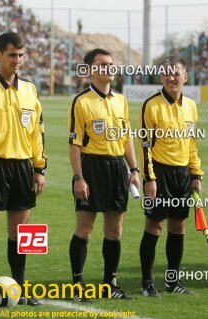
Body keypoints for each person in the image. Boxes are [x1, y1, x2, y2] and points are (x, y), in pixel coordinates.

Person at [0, 32, 47, 310]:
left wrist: (39, 168)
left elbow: (37, 133)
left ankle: (21, 286)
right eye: (12, 54)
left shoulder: (30, 89)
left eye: (21, 55)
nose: (17, 60)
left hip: (23, 167)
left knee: (21, 233)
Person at [68, 48, 140, 302]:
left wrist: (134, 170)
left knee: (115, 229)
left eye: (111, 64)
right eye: (102, 64)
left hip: (117, 168)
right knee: (85, 228)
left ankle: (110, 284)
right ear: (89, 70)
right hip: (91, 167)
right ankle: (77, 285)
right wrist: (79, 177)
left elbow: (126, 139)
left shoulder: (120, 100)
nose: (109, 68)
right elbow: (75, 143)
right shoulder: (82, 101)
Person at [139, 55, 203, 297]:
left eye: (176, 73)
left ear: (185, 77)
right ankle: (147, 283)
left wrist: (196, 174)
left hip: (183, 174)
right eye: (166, 72)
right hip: (160, 173)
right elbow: (145, 144)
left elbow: (192, 144)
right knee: (154, 227)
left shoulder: (191, 106)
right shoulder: (151, 105)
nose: (171, 77)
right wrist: (150, 178)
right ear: (160, 77)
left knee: (178, 227)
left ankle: (172, 281)